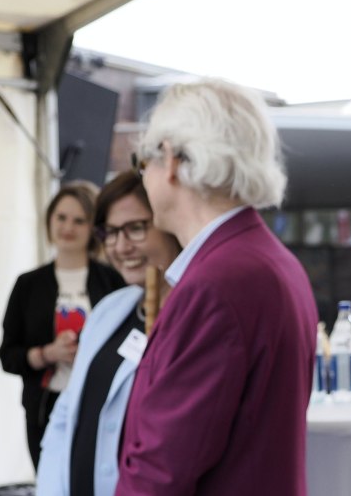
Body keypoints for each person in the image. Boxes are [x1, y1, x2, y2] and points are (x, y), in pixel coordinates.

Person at [116, 79, 317, 494]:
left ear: (170, 160)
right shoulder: (272, 261)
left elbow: (162, 470)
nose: (144, 177)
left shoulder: (216, 283)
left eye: (142, 163)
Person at [35, 170, 183, 495]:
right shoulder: (111, 309)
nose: (121, 246)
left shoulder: (192, 319)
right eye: (111, 233)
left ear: (171, 223)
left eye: (135, 228)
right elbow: (67, 415)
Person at [0, 182, 126, 469]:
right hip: (45, 408)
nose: (68, 227)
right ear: (49, 221)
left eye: (79, 220)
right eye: (61, 217)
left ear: (94, 228)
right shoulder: (28, 285)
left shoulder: (113, 281)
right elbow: (8, 356)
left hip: (102, 405)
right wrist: (47, 354)